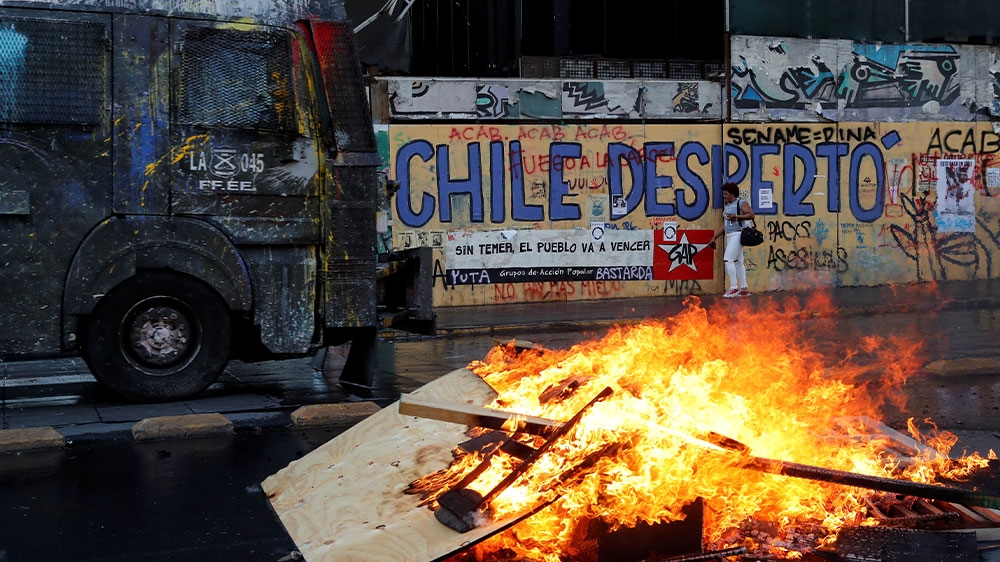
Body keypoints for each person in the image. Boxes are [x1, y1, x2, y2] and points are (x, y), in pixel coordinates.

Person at [708, 182, 754, 298]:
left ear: (732, 194)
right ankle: (744, 288)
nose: (724, 196)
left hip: (738, 234)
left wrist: (737, 217)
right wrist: (714, 237)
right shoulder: (728, 206)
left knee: (728, 259)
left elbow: (751, 214)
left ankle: (733, 288)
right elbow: (725, 225)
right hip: (730, 235)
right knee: (738, 262)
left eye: (726, 194)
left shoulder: (741, 203)